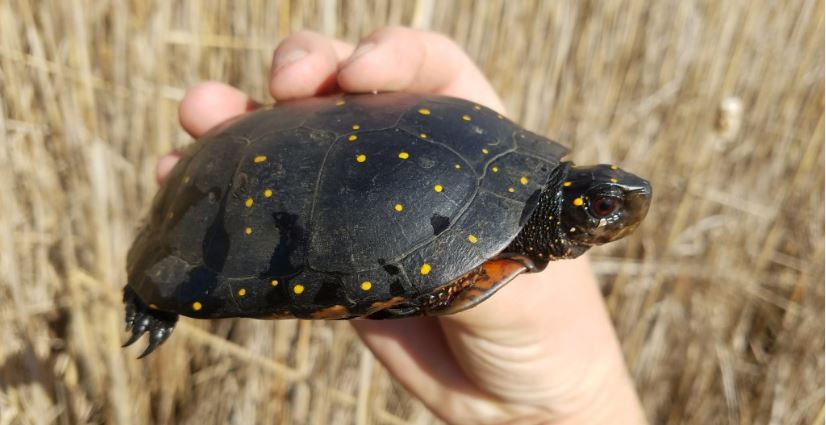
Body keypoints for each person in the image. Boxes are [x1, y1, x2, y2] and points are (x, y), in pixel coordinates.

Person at [157, 27, 647, 425]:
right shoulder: (492, 226)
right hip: (228, 197)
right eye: (604, 204)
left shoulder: (503, 208)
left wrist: (576, 404)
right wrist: (157, 285)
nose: (622, 208)